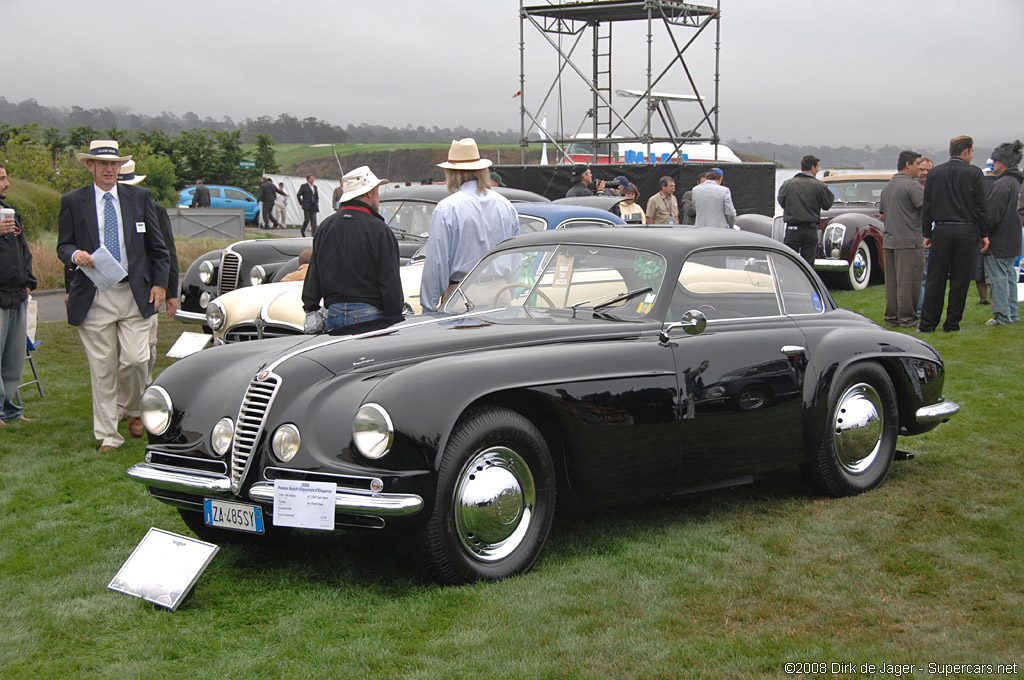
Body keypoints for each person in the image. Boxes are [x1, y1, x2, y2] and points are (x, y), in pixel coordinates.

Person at [57, 140, 169, 450]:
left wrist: (160, 285)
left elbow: (158, 248)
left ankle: (133, 408)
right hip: (95, 294)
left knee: (135, 360)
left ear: (120, 167)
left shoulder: (140, 198)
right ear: (89, 166)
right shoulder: (73, 201)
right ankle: (108, 435)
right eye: (102, 164)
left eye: (114, 164)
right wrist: (74, 254)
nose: (109, 169)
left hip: (135, 294)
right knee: (103, 368)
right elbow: (62, 245)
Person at [420, 138, 520, 312]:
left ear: (452, 173)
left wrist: (428, 307)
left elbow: (437, 263)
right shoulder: (505, 205)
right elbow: (515, 257)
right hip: (500, 291)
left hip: (462, 294)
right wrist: (510, 291)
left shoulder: (447, 208)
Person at [301, 166, 402, 332]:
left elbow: (314, 273)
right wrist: (394, 318)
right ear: (369, 192)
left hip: (333, 312)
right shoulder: (379, 230)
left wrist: (311, 307)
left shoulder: (326, 227)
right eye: (376, 190)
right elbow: (390, 281)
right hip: (370, 314)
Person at [115, 160, 179, 418]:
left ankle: (143, 392)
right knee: (116, 352)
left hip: (147, 290)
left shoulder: (154, 209)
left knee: (145, 349)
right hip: (112, 289)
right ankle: (121, 404)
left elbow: (167, 252)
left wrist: (170, 291)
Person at [918, 135, 990, 333]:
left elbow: (928, 206)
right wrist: (984, 233)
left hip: (941, 228)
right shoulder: (975, 173)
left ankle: (928, 324)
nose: (972, 155)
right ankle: (952, 324)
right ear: (966, 151)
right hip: (966, 230)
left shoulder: (935, 173)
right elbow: (981, 207)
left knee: (935, 278)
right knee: (960, 280)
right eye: (972, 151)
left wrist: (927, 232)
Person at [0, 163, 38, 426]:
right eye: (1, 179)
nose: (7, 183)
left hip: (17, 293)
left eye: (6, 177)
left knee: (13, 359)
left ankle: (11, 408)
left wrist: (29, 281)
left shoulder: (10, 211)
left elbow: (23, 249)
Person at [878, 150, 925, 327]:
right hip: (909, 241)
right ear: (908, 164)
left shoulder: (887, 187)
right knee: (909, 281)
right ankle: (908, 319)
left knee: (892, 283)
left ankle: (892, 318)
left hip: (889, 241)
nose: (920, 169)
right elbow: (926, 210)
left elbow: (881, 216)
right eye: (918, 164)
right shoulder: (913, 186)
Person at [981, 140, 1023, 325]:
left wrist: (982, 234)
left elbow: (992, 215)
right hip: (1014, 239)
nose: (993, 163)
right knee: (1010, 278)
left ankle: (1001, 316)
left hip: (998, 241)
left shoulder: (1002, 184)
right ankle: (1013, 314)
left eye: (995, 160)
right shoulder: (1018, 183)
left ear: (1002, 162)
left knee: (997, 280)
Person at [777, 155, 834, 265]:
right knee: (808, 264)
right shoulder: (819, 186)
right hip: (810, 229)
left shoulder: (787, 184)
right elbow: (827, 204)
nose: (817, 170)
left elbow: (782, 202)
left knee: (789, 262)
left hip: (792, 228)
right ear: (812, 168)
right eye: (817, 168)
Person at [917, 156, 934, 314]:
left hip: (932, 238)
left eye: (928, 170)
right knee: (920, 277)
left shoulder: (936, 188)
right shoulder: (912, 188)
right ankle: (920, 309)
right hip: (916, 238)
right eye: (921, 169)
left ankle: (925, 309)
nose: (924, 173)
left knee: (929, 277)